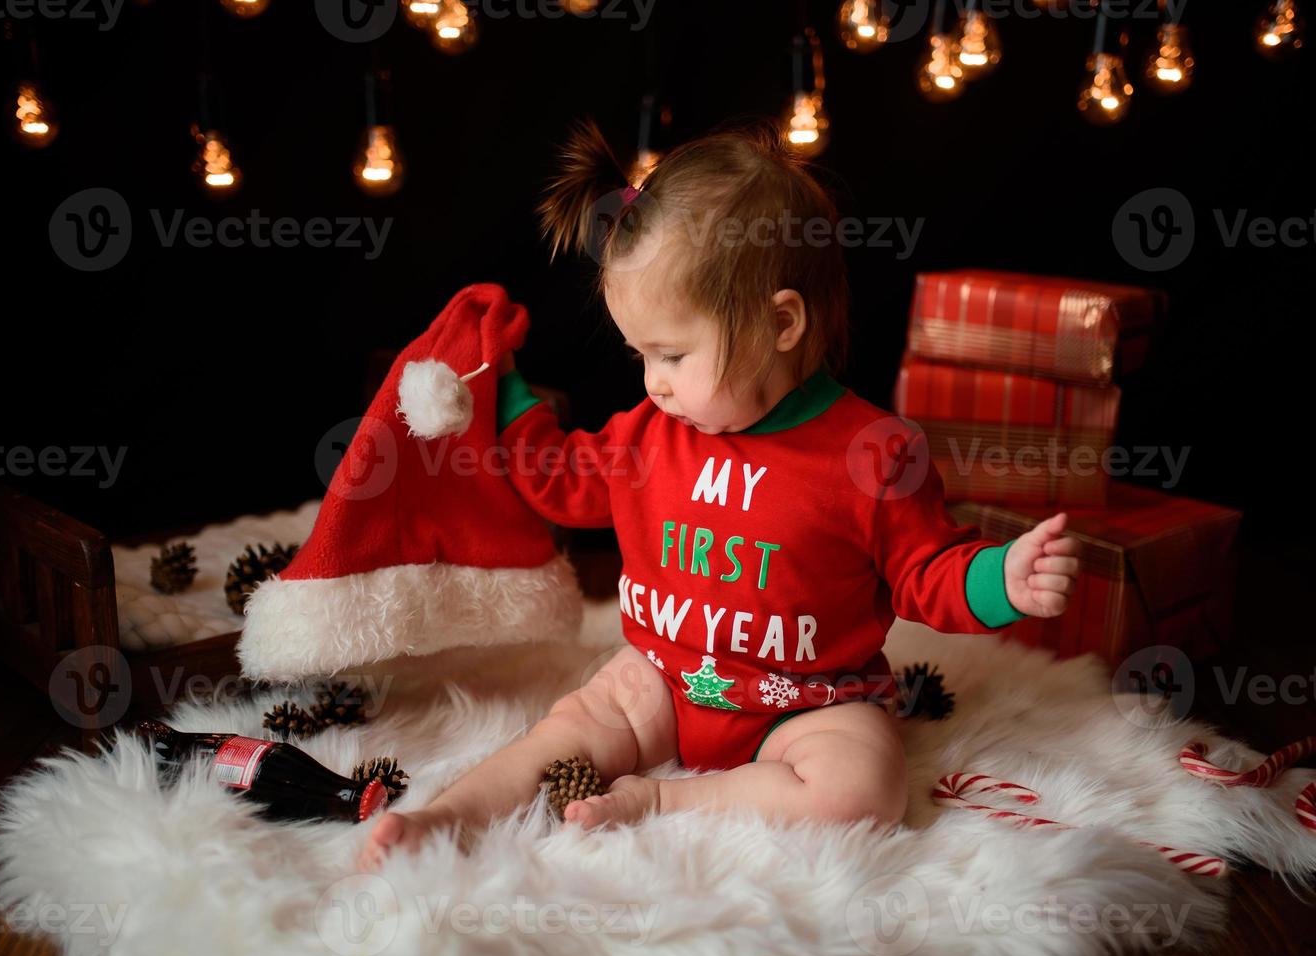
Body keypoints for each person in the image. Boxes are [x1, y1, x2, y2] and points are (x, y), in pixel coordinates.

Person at [358, 117, 1079, 872]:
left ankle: (667, 800)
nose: (652, 382)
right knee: (571, 728)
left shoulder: (871, 452)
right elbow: (562, 478)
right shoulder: (649, 435)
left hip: (809, 701)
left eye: (671, 353)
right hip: (663, 679)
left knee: (863, 788)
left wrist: (1002, 579)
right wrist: (497, 386)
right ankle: (446, 819)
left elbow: (926, 570)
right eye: (640, 355)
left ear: (781, 324)